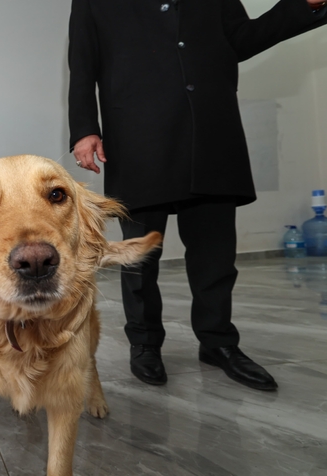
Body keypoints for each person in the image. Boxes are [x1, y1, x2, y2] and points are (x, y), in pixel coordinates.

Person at [68, 0, 327, 391]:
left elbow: (240, 39)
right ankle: (145, 343)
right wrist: (85, 128)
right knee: (140, 256)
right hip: (140, 137)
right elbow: (83, 63)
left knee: (216, 257)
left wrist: (300, 7)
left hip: (211, 134)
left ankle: (218, 343)